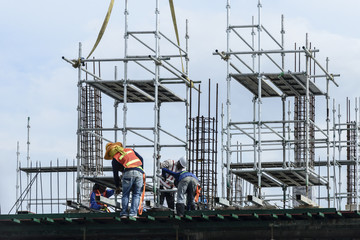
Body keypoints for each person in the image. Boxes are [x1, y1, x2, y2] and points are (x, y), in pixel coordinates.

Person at [104, 142, 145, 218]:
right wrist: (141, 170)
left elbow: (115, 175)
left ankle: (124, 214)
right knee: (136, 194)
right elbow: (141, 159)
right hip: (139, 172)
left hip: (128, 173)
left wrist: (117, 187)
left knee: (126, 194)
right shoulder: (129, 150)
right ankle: (133, 214)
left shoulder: (115, 159)